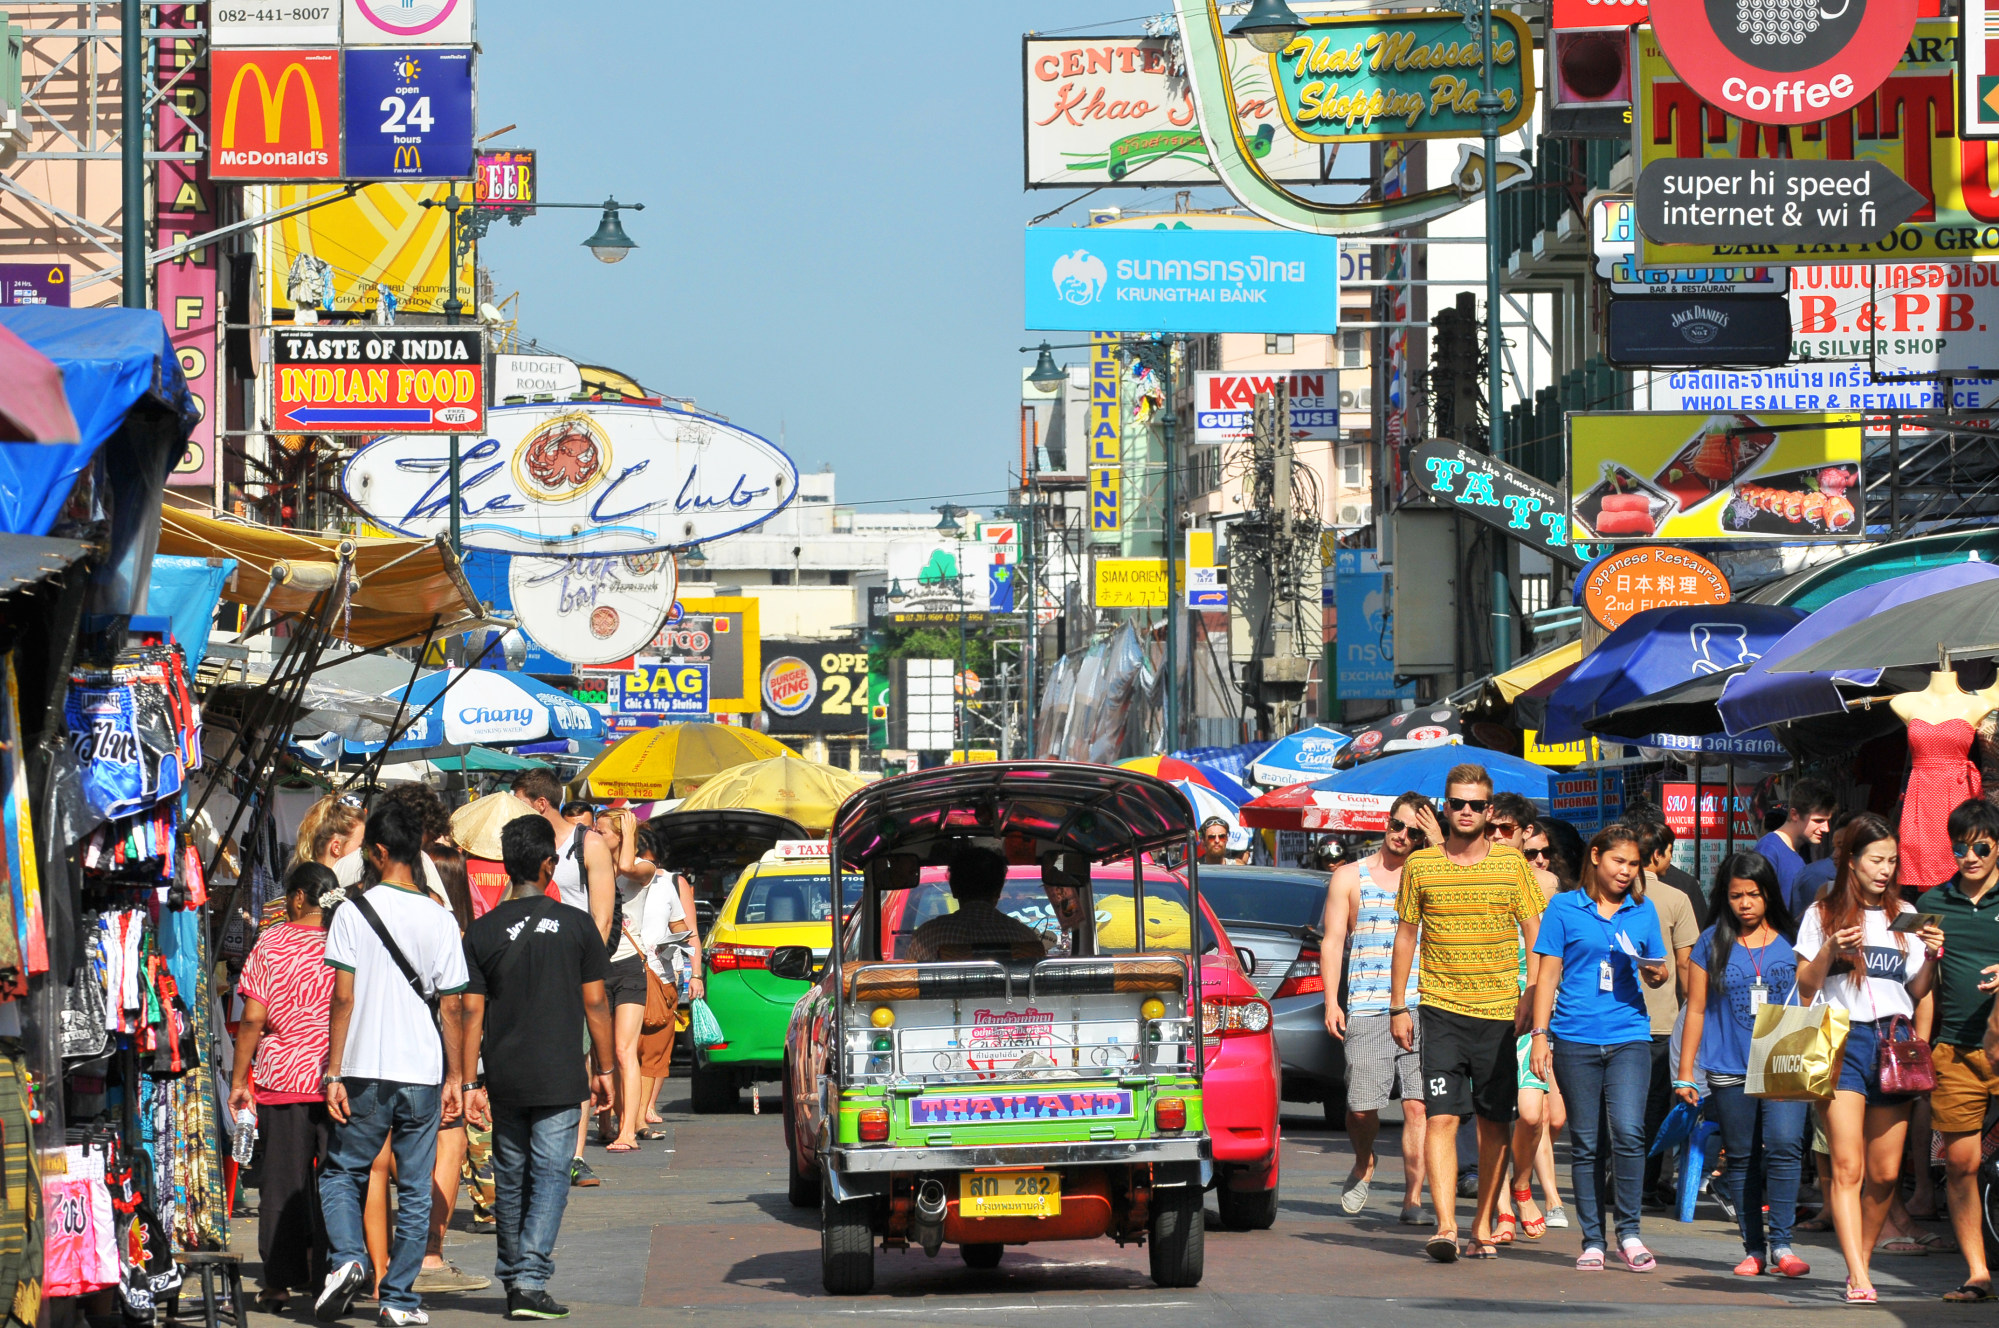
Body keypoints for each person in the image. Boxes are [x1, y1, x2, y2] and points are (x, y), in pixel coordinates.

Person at [316, 801, 470, 1326]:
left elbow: (342, 999)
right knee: (415, 1184)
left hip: (361, 1068)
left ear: (378, 853)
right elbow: (452, 1004)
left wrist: (332, 1071)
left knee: (341, 1172)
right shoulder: (440, 918)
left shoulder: (350, 912)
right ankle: (399, 1301)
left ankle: (350, 1259)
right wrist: (457, 1076)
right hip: (422, 1070)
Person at [1388, 764, 1547, 1262]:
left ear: (1489, 809)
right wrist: (1398, 1005)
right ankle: (1444, 1227)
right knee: (1440, 1117)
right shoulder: (1421, 866)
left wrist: (1532, 996)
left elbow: (1535, 934)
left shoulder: (1512, 866)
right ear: (1446, 805)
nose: (1465, 812)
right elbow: (1406, 936)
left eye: (1476, 805)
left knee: (1495, 1121)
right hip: (1439, 1011)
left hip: (1501, 1014)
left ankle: (1481, 1223)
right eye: (1457, 803)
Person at [461, 815, 616, 1321]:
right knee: (549, 1176)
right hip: (558, 1073)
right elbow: (596, 1005)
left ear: (506, 867)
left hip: (504, 1075)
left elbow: (470, 1012)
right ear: (550, 864)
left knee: (510, 1176)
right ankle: (528, 1280)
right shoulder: (576, 926)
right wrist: (607, 1069)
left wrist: (468, 1080)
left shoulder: (481, 932)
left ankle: (515, 1280)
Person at [1795, 813, 1943, 1305]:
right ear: (1851, 861)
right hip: (1840, 1039)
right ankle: (1859, 1273)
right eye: (1876, 860)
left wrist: (1932, 956)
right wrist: (1829, 951)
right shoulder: (1823, 915)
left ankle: (1859, 1258)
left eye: (1892, 860)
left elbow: (1915, 989)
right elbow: (1804, 986)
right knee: (1847, 1165)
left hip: (1894, 1043)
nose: (1885, 869)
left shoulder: (1908, 914)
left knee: (1884, 1173)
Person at [1528, 823, 1673, 1273]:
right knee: (1588, 1142)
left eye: (1633, 864)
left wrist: (1656, 975)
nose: (1627, 871)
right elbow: (1548, 975)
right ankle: (1593, 1239)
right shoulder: (1564, 909)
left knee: (1629, 1132)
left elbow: (1659, 967)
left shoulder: (1642, 911)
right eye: (1619, 861)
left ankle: (1629, 1233)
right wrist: (1539, 1035)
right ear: (1596, 857)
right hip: (1574, 1037)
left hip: (1629, 1033)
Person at [1676, 851, 1810, 1279]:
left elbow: (1812, 996)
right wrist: (1685, 1071)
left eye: (1754, 894)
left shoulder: (1793, 942)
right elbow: (1694, 1010)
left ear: (1768, 894)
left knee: (1787, 1146)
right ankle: (1754, 1247)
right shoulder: (1711, 941)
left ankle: (1783, 1245)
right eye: (1736, 895)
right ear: (1725, 897)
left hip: (1785, 1056)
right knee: (1743, 1155)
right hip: (1729, 1063)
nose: (1745, 903)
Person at [232, 863, 341, 1312]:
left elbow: (254, 1017)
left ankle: (278, 1282)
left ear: (298, 898)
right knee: (336, 1182)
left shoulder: (272, 942)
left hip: (283, 1077)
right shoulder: (345, 941)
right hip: (337, 1078)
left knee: (280, 1183)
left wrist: (240, 1080)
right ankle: (331, 1278)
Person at [1323, 792, 1435, 1224]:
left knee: (1418, 1106)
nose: (1402, 835)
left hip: (1423, 1004)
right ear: (1385, 823)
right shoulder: (1349, 877)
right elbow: (1333, 942)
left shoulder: (1429, 874)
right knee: (1361, 1108)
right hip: (1367, 1007)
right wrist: (1332, 1001)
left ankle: (1414, 1199)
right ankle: (1365, 1159)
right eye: (1397, 825)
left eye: (1412, 830)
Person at [511, 770, 616, 1188]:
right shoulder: (521, 844)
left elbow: (602, 915)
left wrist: (583, 966)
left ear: (540, 802)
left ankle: (572, 1156)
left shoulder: (586, 843)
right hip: (525, 962)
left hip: (571, 963)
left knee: (578, 1055)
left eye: (517, 798)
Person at [1917, 797, 1999, 1302]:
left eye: (1982, 846)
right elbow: (1917, 989)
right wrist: (1927, 956)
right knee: (1961, 1164)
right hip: (1957, 1051)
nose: (1969, 856)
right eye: (1960, 847)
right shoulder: (1933, 902)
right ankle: (1977, 1273)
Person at [1484, 797, 1562, 1245]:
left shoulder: (1547, 885)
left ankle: (1521, 1184)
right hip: (1481, 1010)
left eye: (1506, 829)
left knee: (1535, 1116)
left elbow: (1555, 956)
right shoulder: (1471, 876)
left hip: (1532, 1013)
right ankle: (1502, 1210)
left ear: (1524, 833)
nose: (1496, 837)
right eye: (1490, 829)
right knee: (1491, 1115)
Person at [1633, 822, 1700, 1210]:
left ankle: (1616, 1178)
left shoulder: (1605, 894)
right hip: (1661, 1022)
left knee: (1618, 1106)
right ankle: (1643, 1184)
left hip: (1613, 1022)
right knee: (1655, 1106)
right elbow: (1686, 964)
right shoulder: (1676, 897)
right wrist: (1694, 1012)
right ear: (1657, 855)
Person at [595, 809, 661, 1151]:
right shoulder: (590, 869)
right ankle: (605, 1124)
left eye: (602, 831)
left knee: (624, 1050)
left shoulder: (642, 868)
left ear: (622, 836)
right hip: (595, 966)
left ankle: (627, 1131)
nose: (595, 836)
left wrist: (631, 831)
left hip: (627, 966)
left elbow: (626, 867)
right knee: (598, 1050)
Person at [906, 848, 1046, 960]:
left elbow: (908, 986)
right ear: (998, 891)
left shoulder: (926, 937)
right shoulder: (1024, 937)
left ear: (954, 889)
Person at [1756, 778, 1836, 905]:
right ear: (1794, 815)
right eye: (1818, 821)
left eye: (1827, 821)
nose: (1826, 829)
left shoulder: (1802, 850)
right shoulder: (1769, 850)